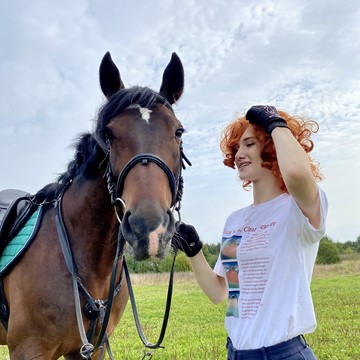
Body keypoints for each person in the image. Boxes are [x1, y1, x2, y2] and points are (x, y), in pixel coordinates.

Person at [173, 105, 328, 360]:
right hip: (236, 353)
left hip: (284, 354)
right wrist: (194, 252)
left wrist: (276, 124)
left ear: (272, 147)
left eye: (249, 144)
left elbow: (296, 172)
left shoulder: (298, 208)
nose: (238, 154)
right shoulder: (235, 221)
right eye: (237, 148)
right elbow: (220, 292)